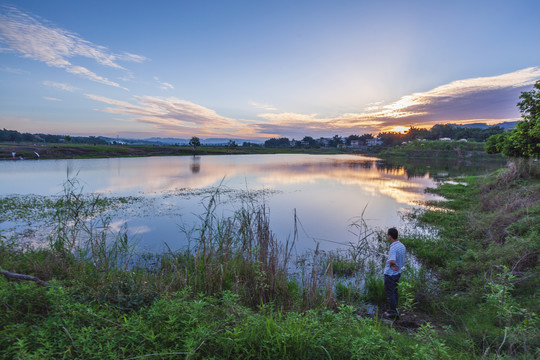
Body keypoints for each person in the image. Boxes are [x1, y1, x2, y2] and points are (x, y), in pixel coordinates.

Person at [383, 227, 406, 319]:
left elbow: (392, 261)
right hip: (398, 273)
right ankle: (394, 309)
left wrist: (391, 264)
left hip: (390, 274)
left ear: (389, 236)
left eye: (388, 235)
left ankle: (392, 312)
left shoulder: (393, 248)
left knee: (390, 293)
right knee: (395, 291)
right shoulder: (402, 246)